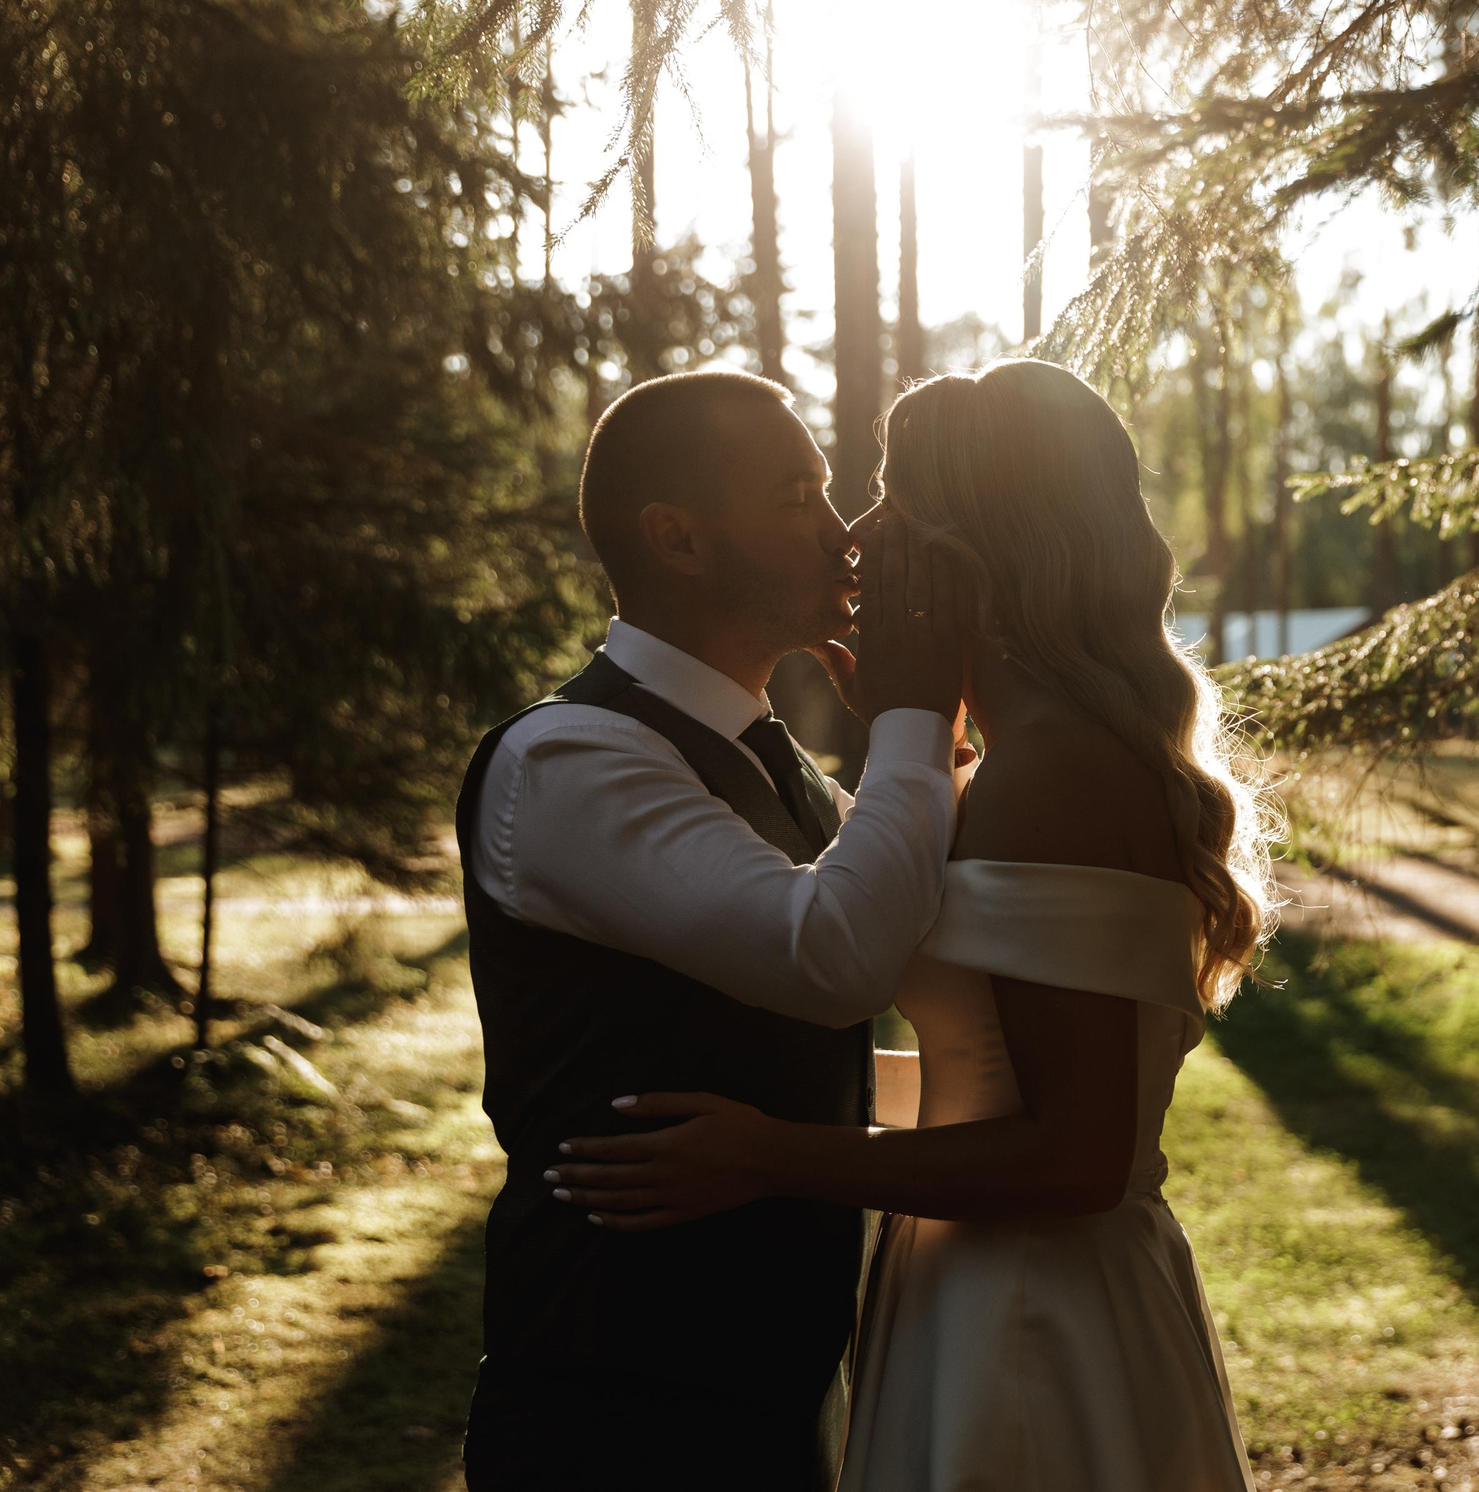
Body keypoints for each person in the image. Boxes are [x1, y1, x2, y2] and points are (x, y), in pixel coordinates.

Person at [545, 359, 1273, 1491]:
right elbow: (985, 1068)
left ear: (979, 543)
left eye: (893, 498)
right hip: (973, 1275)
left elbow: (1078, 1153)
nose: (858, 534)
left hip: (1033, 1311)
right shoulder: (1005, 768)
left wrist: (767, 1153)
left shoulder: (1060, 773)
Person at [455, 369, 970, 1490]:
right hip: (617, 1417)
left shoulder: (769, 757)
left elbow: (915, 900)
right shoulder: (569, 757)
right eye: (797, 496)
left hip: (774, 1394)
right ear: (677, 539)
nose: (842, 537)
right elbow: (834, 955)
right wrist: (913, 716)